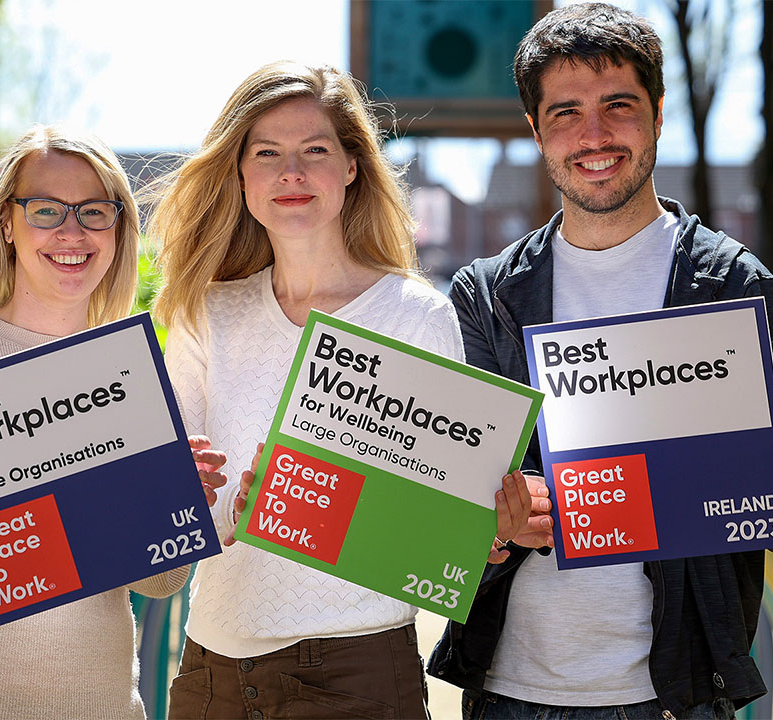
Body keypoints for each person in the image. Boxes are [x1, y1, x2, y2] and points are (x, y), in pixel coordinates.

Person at [427, 4, 773, 718]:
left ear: (659, 113)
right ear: (536, 130)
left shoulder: (736, 285)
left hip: (677, 690)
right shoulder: (485, 296)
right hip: (512, 687)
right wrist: (490, 526)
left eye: (619, 105)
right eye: (566, 113)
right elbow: (448, 501)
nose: (595, 135)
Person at [150, 61, 541, 720]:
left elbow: (450, 524)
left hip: (353, 671)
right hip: (208, 670)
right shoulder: (204, 313)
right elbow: (177, 509)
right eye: (266, 153)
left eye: (315, 151)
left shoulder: (416, 317)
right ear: (240, 174)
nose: (291, 173)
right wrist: (234, 514)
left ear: (353, 166)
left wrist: (484, 526)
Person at [0, 125, 224, 720]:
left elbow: (159, 583)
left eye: (94, 211)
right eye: (46, 209)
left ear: (119, 228)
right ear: (7, 223)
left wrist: (180, 505)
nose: (71, 232)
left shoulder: (133, 378)